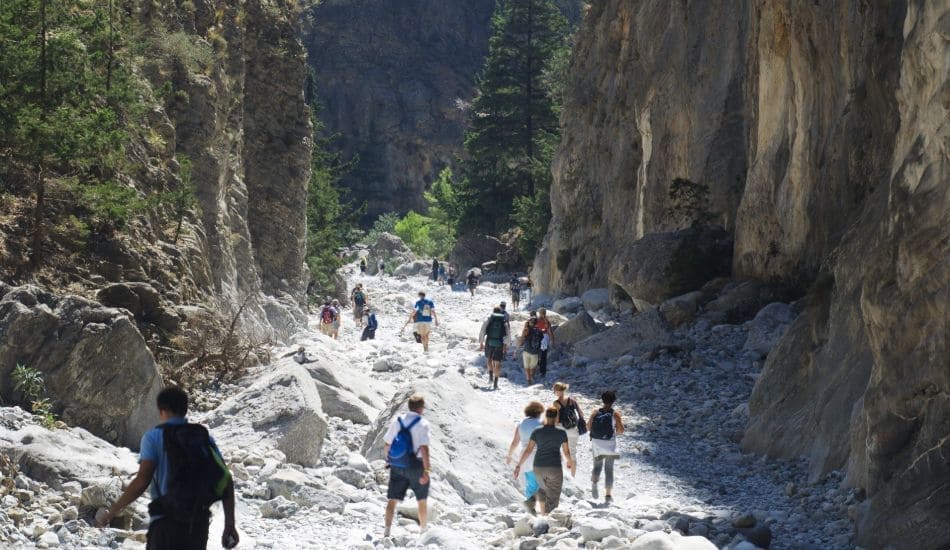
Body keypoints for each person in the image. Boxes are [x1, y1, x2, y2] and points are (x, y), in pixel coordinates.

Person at [96, 388, 239, 549]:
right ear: (185, 410)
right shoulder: (202, 437)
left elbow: (142, 481)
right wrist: (229, 525)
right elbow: (226, 480)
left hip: (165, 524)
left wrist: (112, 511)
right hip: (198, 525)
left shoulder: (153, 437)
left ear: (161, 411)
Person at [383, 394, 431, 538]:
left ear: (409, 407)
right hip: (416, 464)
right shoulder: (423, 423)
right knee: (421, 499)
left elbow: (387, 444)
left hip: (398, 464)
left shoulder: (398, 420)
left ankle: (387, 531)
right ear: (421, 408)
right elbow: (424, 449)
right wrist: (426, 470)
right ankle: (423, 531)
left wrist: (389, 460)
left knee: (392, 499)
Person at [513, 406, 574, 514]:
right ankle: (548, 516)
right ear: (556, 418)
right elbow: (566, 451)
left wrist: (519, 465)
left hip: (538, 466)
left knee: (542, 489)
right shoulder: (561, 432)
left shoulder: (537, 431)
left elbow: (528, 450)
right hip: (554, 466)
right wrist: (569, 461)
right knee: (553, 491)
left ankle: (539, 510)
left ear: (545, 416)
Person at [506, 401, 544, 514]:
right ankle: (536, 507)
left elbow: (514, 443)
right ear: (540, 412)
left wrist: (509, 455)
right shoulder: (542, 423)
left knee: (531, 482)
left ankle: (530, 507)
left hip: (525, 457)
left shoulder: (521, 424)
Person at [588, 390, 625, 503]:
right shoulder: (615, 414)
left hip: (596, 443)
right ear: (613, 401)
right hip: (610, 444)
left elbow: (588, 426)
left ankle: (594, 484)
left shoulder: (595, 412)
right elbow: (621, 430)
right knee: (609, 469)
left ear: (602, 400)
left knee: (597, 465)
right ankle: (608, 495)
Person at [552, 381, 585, 471]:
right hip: (574, 428)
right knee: (573, 452)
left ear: (557, 391)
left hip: (563, 429)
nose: (554, 392)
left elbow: (557, 419)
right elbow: (581, 413)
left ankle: (568, 466)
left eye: (554, 390)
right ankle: (573, 473)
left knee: (565, 451)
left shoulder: (556, 403)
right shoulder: (572, 400)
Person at [479, 306, 509, 389]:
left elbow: (483, 331)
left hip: (489, 343)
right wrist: (506, 345)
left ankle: (490, 377)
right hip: (499, 344)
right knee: (497, 363)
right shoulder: (504, 322)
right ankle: (496, 383)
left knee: (489, 360)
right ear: (500, 312)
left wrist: (481, 342)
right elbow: (507, 335)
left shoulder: (489, 320)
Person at [515, 317, 543, 385]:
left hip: (526, 351)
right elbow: (541, 340)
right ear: (536, 323)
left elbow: (522, 339)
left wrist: (517, 348)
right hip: (535, 352)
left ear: (530, 323)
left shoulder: (526, 330)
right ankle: (531, 377)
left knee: (526, 367)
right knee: (532, 367)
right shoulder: (539, 331)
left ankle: (528, 379)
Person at [535, 308, 554, 378]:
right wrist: (552, 341)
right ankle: (543, 371)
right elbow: (549, 332)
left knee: (536, 354)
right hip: (544, 339)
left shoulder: (536, 320)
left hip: (537, 338)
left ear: (539, 313)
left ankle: (537, 369)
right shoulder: (547, 322)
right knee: (544, 356)